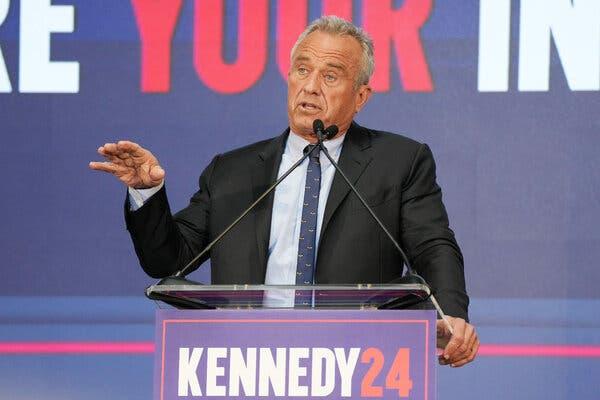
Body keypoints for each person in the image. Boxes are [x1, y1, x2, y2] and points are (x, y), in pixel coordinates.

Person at [90, 16, 478, 367]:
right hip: (247, 363)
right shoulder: (232, 171)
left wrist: (450, 314)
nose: (309, 86)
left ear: (361, 97)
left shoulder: (400, 161)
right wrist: (148, 192)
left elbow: (432, 246)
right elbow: (168, 261)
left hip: (355, 361)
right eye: (302, 69)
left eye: (330, 76)